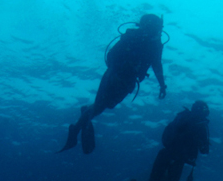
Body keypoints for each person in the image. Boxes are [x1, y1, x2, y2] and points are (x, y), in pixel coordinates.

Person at [58, 13, 167, 155]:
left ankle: (83, 117)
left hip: (127, 81)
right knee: (101, 105)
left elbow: (157, 65)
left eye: (159, 28)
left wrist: (162, 85)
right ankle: (76, 128)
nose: (158, 31)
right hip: (114, 76)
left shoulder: (156, 45)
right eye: (157, 27)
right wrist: (120, 69)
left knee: (106, 105)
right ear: (149, 26)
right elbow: (111, 56)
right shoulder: (132, 37)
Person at [105, 100, 210, 181]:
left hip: (165, 154)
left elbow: (172, 136)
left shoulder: (184, 117)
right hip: (178, 160)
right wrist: (199, 142)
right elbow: (204, 150)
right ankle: (162, 177)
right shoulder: (201, 125)